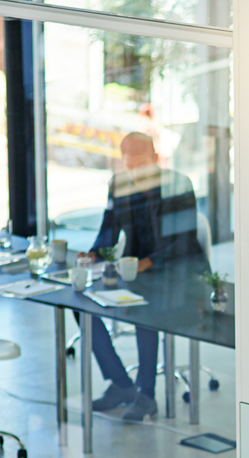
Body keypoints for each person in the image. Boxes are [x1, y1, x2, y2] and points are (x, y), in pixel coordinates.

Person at [83, 132, 206, 422]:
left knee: (144, 310)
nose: (135, 173)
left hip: (178, 273)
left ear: (155, 160)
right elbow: (109, 230)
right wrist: (93, 254)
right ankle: (122, 384)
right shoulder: (118, 185)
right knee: (82, 308)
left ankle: (146, 395)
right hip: (136, 271)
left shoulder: (178, 185)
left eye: (141, 165)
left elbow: (184, 241)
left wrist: (148, 263)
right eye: (130, 166)